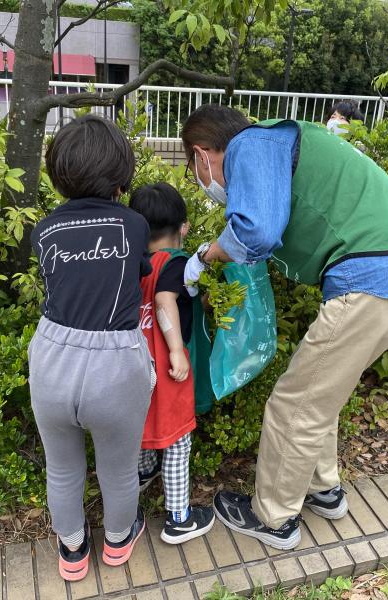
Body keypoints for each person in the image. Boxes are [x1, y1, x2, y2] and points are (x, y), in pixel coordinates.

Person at [180, 105, 388, 550]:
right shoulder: (283, 143)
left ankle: (273, 518)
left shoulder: (252, 144)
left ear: (201, 154)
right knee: (319, 393)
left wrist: (204, 257)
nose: (202, 181)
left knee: (295, 404)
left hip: (376, 279)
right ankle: (323, 490)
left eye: (195, 171)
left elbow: (256, 232)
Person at [28, 114, 153, 579]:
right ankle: (117, 541)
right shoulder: (134, 224)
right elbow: (140, 271)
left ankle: (73, 549)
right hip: (116, 362)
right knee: (118, 469)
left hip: (52, 355)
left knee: (62, 468)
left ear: (58, 174)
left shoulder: (44, 231)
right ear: (121, 172)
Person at [128, 183, 216, 544]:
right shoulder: (176, 262)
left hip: (132, 365)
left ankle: (143, 474)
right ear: (184, 227)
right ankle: (179, 518)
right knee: (178, 441)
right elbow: (165, 300)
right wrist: (177, 351)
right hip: (167, 369)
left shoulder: (131, 263)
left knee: (140, 426)